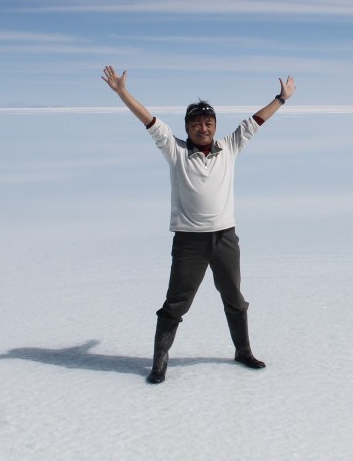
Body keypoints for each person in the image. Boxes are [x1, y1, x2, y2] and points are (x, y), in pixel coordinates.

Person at [101, 65, 296, 384]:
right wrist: (122, 92)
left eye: (208, 123)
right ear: (188, 127)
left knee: (234, 297)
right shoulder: (174, 149)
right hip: (189, 243)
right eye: (196, 123)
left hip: (224, 239)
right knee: (176, 303)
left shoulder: (229, 148)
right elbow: (148, 120)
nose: (203, 128)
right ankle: (160, 361)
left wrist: (281, 98)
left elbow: (256, 122)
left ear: (215, 126)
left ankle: (242, 350)